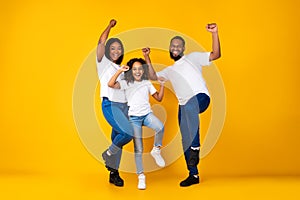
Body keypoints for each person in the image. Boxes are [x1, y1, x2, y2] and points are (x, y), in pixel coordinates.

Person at [148, 23, 221, 187]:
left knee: (189, 108)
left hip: (200, 97)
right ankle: (193, 175)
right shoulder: (169, 70)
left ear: (183, 49)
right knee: (185, 139)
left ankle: (195, 148)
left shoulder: (193, 58)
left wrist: (214, 33)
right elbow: (152, 75)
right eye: (173, 46)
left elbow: (215, 54)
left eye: (178, 46)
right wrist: (147, 57)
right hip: (184, 106)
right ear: (170, 48)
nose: (175, 48)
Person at [108, 48, 165, 190]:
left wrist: (162, 85)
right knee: (138, 149)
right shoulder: (127, 83)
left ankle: (156, 150)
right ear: (131, 71)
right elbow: (110, 84)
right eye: (134, 69)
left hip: (147, 115)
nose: (138, 71)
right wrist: (120, 71)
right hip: (134, 119)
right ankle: (141, 176)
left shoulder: (146, 82)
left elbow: (158, 98)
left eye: (140, 69)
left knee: (160, 127)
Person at [96, 19, 134, 187]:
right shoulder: (103, 64)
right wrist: (109, 27)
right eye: (113, 48)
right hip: (110, 105)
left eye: (119, 48)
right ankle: (108, 153)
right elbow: (100, 42)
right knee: (127, 133)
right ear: (107, 52)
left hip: (123, 107)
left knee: (118, 138)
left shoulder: (124, 70)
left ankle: (114, 173)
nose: (116, 51)